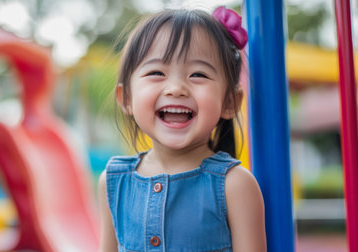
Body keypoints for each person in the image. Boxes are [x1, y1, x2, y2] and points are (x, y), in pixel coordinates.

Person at [98, 6, 266, 252]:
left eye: (198, 74)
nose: (176, 88)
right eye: (157, 72)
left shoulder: (235, 185)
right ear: (126, 99)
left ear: (229, 102)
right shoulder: (114, 182)